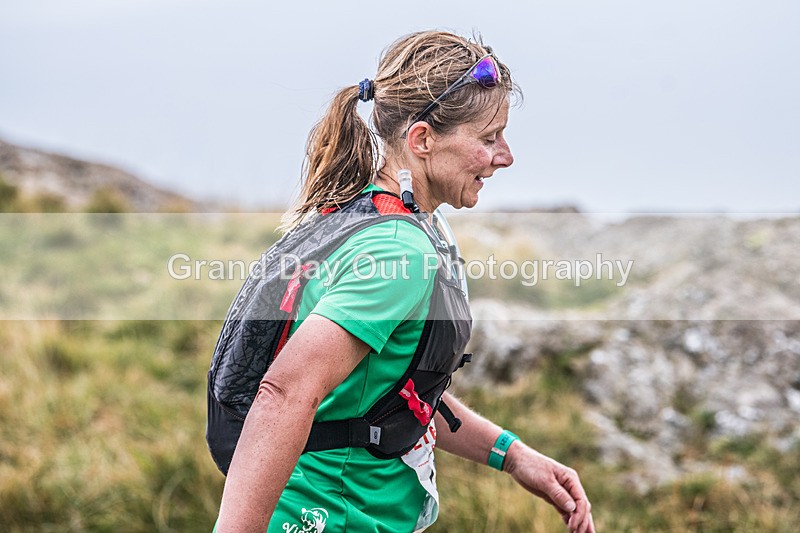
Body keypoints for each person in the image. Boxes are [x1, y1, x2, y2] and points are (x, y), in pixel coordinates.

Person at [213, 30, 596, 533]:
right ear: (422, 140)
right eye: (488, 138)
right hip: (332, 515)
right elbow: (284, 393)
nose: (505, 155)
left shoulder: (372, 215)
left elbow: (390, 390)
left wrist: (512, 454)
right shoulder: (400, 250)